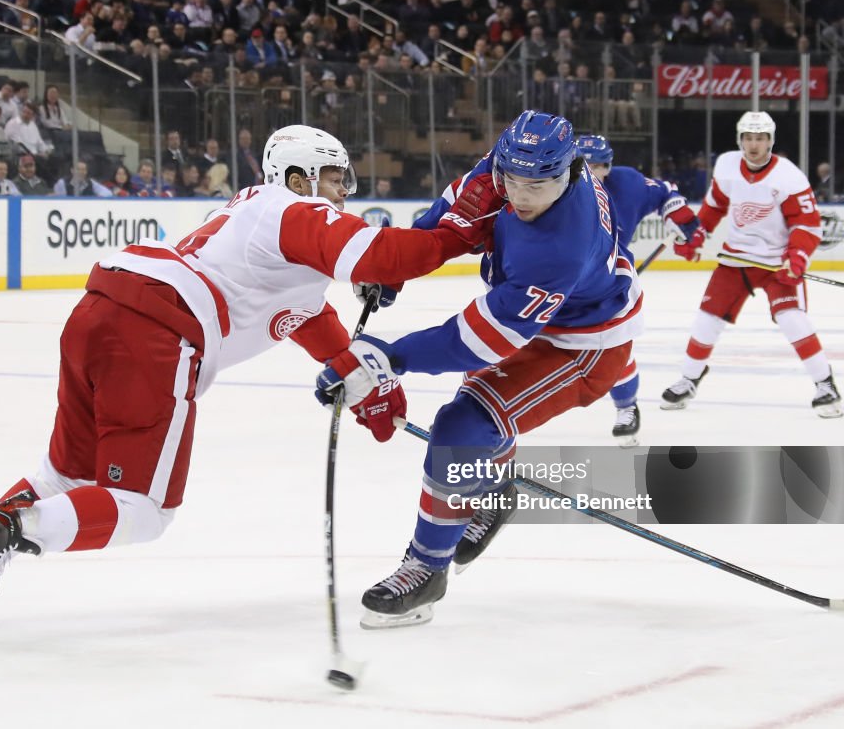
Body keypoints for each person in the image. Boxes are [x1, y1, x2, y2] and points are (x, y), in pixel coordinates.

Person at [0, 125, 501, 625]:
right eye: (336, 178)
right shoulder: (286, 209)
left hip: (100, 313)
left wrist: (366, 384)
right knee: (143, 508)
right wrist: (465, 231)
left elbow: (311, 320)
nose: (344, 192)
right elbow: (384, 256)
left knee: (65, 475)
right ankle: (2, 531)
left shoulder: (253, 222)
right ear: (299, 178)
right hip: (156, 335)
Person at [333, 111, 643, 629]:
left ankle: (427, 570)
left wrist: (389, 356)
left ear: (568, 173)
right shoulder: (515, 163)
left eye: (535, 186)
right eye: (511, 180)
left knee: (463, 426)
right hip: (541, 317)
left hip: (582, 345)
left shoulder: (562, 246)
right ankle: (493, 490)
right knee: (474, 429)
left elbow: (475, 342)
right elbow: (455, 214)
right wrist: (394, 267)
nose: (519, 195)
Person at [660, 111, 841, 418]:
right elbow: (714, 206)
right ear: (739, 139)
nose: (754, 145)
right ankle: (689, 378)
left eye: (760, 138)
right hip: (736, 261)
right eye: (748, 138)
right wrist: (696, 235)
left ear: (771, 141)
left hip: (777, 264)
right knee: (707, 318)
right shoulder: (727, 165)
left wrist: (796, 257)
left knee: (792, 319)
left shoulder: (789, 177)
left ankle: (826, 385)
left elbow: (807, 225)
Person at [575, 134, 700, 445]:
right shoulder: (553, 189)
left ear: (609, 166)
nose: (591, 172)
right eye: (583, 165)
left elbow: (665, 192)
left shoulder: (627, 183)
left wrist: (682, 221)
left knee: (614, 344)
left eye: (599, 165)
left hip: (607, 280)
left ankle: (626, 408)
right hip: (555, 280)